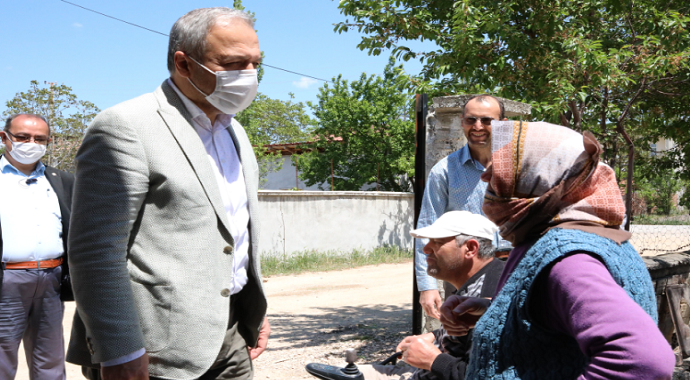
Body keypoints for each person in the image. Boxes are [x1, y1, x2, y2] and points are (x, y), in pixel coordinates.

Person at [66, 7, 269, 380]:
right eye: (232, 63)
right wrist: (119, 350)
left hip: (231, 336)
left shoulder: (235, 133)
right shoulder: (125, 127)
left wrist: (255, 309)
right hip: (154, 351)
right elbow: (95, 252)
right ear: (184, 63)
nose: (249, 75)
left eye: (255, 63)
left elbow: (235, 232)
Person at [440, 121, 675, 379]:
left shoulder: (568, 258)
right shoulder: (586, 234)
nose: (486, 176)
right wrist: (495, 313)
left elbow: (644, 360)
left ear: (540, 175)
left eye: (502, 168)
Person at [358, 211, 505, 380]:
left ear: (470, 248)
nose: (426, 248)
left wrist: (432, 359)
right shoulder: (483, 278)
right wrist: (434, 335)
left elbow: (485, 375)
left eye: (437, 242)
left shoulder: (488, 294)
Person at [415, 95, 510, 320]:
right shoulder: (444, 171)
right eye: (471, 120)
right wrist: (427, 286)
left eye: (487, 120)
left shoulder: (521, 166)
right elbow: (428, 226)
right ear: (462, 122)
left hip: (515, 264)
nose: (478, 127)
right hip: (465, 272)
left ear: (503, 124)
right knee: (462, 338)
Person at [0, 114, 74, 380]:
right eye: (22, 137)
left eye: (39, 139)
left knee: (50, 360)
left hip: (51, 280)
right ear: (4, 137)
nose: (31, 143)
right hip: (7, 280)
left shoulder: (60, 181)